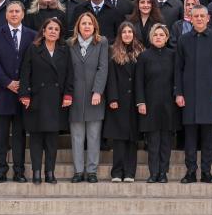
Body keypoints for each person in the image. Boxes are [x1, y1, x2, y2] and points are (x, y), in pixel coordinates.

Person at [173, 5, 212, 183]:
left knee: (207, 138)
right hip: (188, 94)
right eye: (195, 16)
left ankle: (206, 172)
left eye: (202, 16)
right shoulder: (183, 40)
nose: (199, 19)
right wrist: (178, 93)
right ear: (190, 18)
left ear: (208, 18)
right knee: (189, 138)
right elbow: (178, 69)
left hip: (210, 94)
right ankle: (190, 171)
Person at [19, 17, 73, 184]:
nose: (53, 32)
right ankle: (36, 172)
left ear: (59, 33)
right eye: (50, 28)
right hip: (36, 99)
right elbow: (25, 73)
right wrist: (24, 94)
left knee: (51, 139)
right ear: (43, 31)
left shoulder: (64, 50)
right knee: (36, 139)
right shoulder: (33, 48)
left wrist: (68, 95)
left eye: (56, 29)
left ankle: (50, 172)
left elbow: (70, 74)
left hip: (56, 100)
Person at [0, 1, 34, 183]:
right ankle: (1, 171)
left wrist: (22, 84)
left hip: (23, 93)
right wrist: (7, 82)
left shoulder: (32, 35)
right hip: (3, 92)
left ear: (23, 14)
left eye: (17, 11)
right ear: (6, 14)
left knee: (19, 135)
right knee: (1, 135)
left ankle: (19, 171)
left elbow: (33, 62)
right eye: (11, 11)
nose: (14, 14)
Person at [67, 11, 109, 183]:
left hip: (94, 96)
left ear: (94, 27)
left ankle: (92, 171)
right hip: (75, 96)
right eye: (83, 23)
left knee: (93, 135)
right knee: (77, 136)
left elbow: (103, 68)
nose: (86, 26)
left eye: (89, 23)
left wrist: (98, 91)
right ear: (78, 26)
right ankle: (78, 171)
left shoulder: (102, 42)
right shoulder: (70, 43)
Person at [136, 23, 177, 183]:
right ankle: (153, 173)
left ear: (167, 38)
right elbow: (139, 81)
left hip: (169, 105)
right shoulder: (144, 56)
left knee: (166, 142)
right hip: (150, 105)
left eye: (161, 35)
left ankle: (163, 173)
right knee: (153, 142)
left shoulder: (173, 55)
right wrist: (141, 102)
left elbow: (177, 79)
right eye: (155, 35)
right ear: (151, 37)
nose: (158, 37)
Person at [104, 22, 143, 182]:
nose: (127, 34)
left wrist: (141, 101)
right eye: (124, 32)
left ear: (134, 34)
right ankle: (117, 172)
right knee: (119, 138)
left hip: (135, 101)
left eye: (130, 32)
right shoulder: (113, 52)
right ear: (120, 35)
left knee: (132, 139)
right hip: (119, 100)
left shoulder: (140, 52)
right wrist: (112, 98)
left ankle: (129, 173)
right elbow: (111, 77)